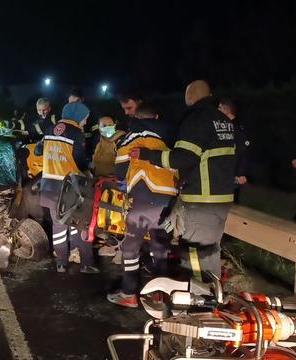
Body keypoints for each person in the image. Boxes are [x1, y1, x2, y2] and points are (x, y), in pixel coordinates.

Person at [131, 80, 235, 280]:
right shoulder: (223, 121)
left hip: (202, 198)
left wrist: (148, 155)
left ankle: (200, 300)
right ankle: (213, 296)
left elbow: (182, 158)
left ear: (189, 97)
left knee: (195, 253)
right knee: (210, 250)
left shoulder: (196, 120)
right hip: (223, 197)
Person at [107, 101, 177, 307]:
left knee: (131, 246)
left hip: (142, 197)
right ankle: (159, 293)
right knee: (160, 246)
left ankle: (129, 293)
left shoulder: (132, 137)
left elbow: (119, 170)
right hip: (167, 198)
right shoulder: (172, 137)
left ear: (137, 118)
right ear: (157, 117)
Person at [39, 102, 99, 274]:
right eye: (84, 119)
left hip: (49, 187)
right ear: (77, 116)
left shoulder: (50, 129)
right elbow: (80, 161)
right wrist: (89, 173)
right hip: (68, 189)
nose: (85, 123)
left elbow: (41, 151)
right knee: (80, 224)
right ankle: (86, 264)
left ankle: (61, 263)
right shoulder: (76, 134)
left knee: (58, 227)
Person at [218, 98, 249, 203]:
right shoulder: (225, 126)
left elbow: (243, 153)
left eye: (219, 108)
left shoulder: (236, 129)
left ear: (226, 110)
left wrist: (241, 174)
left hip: (230, 176)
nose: (217, 110)